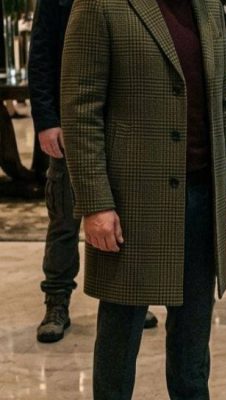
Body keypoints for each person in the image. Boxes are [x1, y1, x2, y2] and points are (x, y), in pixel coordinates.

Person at [60, 0, 226, 396]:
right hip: (132, 201)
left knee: (193, 341)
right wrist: (96, 203)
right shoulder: (101, 5)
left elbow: (221, 101)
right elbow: (81, 112)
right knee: (121, 333)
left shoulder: (207, 6)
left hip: (201, 195)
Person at [27, 0, 157, 344]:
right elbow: (41, 55)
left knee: (128, 215)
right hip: (74, 125)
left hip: (125, 126)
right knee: (64, 219)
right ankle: (56, 301)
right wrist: (47, 121)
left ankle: (130, 298)